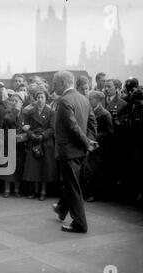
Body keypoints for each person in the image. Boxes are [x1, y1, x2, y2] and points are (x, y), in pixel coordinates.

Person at [52, 71, 97, 233]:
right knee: (72, 184)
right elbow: (92, 122)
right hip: (81, 152)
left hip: (68, 152)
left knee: (72, 188)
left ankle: (80, 223)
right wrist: (89, 142)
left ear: (63, 83)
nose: (53, 86)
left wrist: (87, 142)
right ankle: (62, 209)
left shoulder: (64, 101)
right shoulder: (83, 99)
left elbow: (72, 127)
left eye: (54, 83)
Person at [23, 90, 57, 201]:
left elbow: (52, 128)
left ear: (46, 99)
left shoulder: (51, 112)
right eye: (38, 97)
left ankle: (43, 191)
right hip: (33, 142)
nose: (40, 99)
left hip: (46, 143)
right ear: (35, 99)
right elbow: (26, 127)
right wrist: (31, 134)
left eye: (42, 97)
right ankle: (35, 191)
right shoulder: (30, 112)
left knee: (44, 168)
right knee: (34, 168)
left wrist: (42, 136)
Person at [84, 91, 113, 202]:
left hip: (99, 146)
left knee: (95, 170)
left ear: (97, 100)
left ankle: (93, 194)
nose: (89, 101)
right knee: (88, 168)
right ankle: (89, 192)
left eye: (90, 99)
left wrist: (95, 136)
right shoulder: (89, 110)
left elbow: (110, 132)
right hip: (90, 144)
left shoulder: (105, 114)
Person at [0, 92, 27, 197]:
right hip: (8, 142)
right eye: (12, 100)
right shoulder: (7, 112)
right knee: (8, 165)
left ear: (22, 103)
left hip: (20, 143)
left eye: (17, 101)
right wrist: (15, 110)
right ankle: (6, 189)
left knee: (19, 166)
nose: (14, 103)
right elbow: (8, 120)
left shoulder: (25, 114)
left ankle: (16, 189)